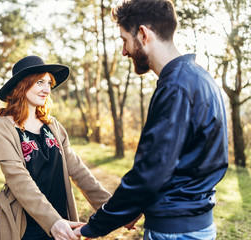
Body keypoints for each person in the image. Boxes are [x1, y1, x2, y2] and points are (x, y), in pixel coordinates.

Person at [74, 0, 228, 239]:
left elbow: (149, 174)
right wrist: (136, 207)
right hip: (198, 226)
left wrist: (94, 226)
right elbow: (184, 164)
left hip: (174, 232)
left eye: (125, 40)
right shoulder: (201, 77)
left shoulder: (175, 87)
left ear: (143, 34)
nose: (124, 51)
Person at [0, 55, 111, 240]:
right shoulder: (1, 128)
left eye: (49, 83)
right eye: (40, 82)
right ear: (22, 85)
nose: (47, 89)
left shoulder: (53, 126)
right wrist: (52, 222)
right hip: (26, 227)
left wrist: (112, 209)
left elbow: (79, 171)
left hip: (63, 222)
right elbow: (19, 180)